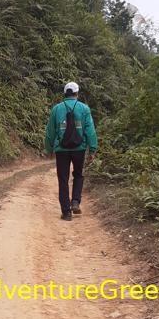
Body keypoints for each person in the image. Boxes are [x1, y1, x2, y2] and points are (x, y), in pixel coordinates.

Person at [45, 81, 98, 221]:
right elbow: (90, 131)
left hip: (61, 149)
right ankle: (75, 201)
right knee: (79, 175)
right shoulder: (84, 109)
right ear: (77, 93)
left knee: (63, 179)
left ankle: (66, 213)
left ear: (65, 93)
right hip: (79, 149)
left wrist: (49, 148)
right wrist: (92, 150)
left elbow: (50, 131)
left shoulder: (56, 109)